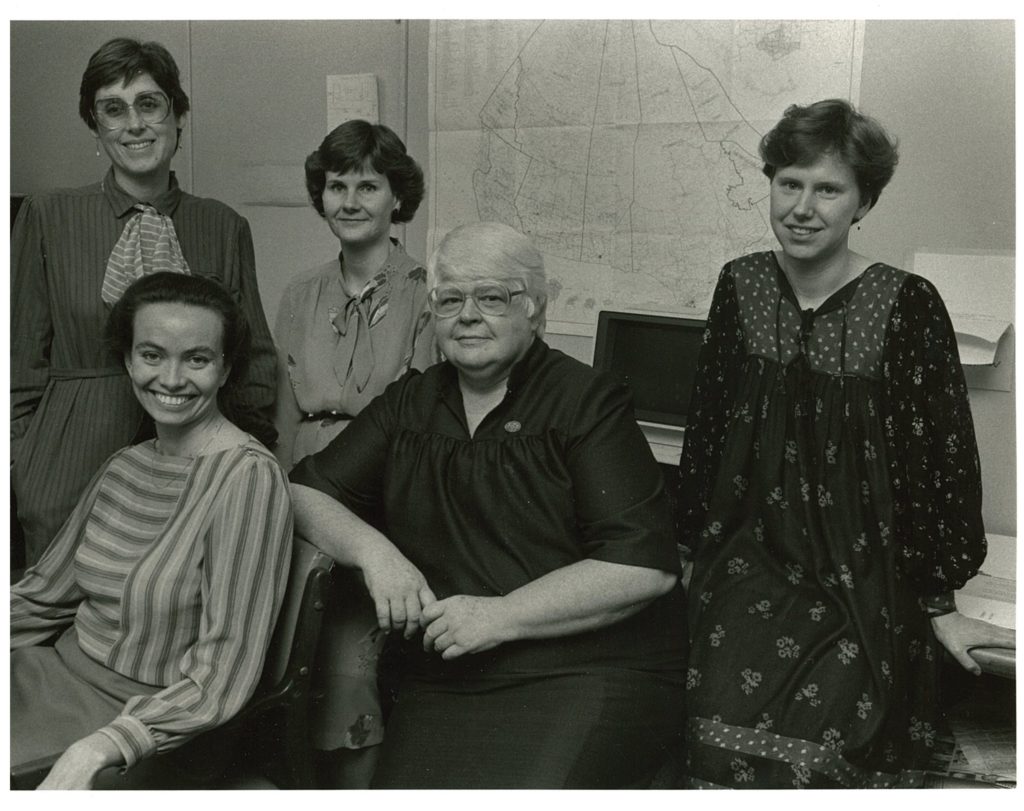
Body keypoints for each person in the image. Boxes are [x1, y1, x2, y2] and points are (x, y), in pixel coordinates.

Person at [676, 98, 1014, 788]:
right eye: (788, 183)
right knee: (713, 746)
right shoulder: (738, 287)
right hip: (749, 562)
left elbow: (941, 461)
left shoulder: (907, 303)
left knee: (830, 754)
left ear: (863, 202)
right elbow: (707, 433)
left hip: (864, 575)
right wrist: (691, 555)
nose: (803, 206)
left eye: (828, 188)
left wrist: (938, 602)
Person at [289, 221, 688, 788]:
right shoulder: (412, 403)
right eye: (450, 299)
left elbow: (641, 568)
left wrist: (502, 615)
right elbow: (303, 490)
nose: (468, 315)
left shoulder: (586, 402)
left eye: (492, 297)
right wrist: (374, 553)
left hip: (586, 670)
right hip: (449, 674)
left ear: (535, 310)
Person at [10, 272, 293, 790]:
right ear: (128, 360)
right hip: (50, 676)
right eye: (152, 355)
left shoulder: (248, 478)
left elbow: (223, 671)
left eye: (197, 359)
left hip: (143, 721)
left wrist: (104, 744)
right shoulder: (125, 465)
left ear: (226, 368)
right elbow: (41, 596)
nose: (171, 378)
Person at [10, 37, 278, 569]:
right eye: (113, 109)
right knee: (61, 627)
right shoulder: (48, 217)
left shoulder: (223, 225)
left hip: (193, 465)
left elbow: (254, 364)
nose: (134, 124)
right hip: (69, 463)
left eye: (149, 104)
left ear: (178, 117)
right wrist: (28, 465)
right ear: (96, 126)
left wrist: (244, 462)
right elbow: (18, 366)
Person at [272, 120, 435, 788]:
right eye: (337, 184)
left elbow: (428, 423)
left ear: (397, 197)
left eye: (368, 184)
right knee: (284, 664)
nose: (350, 199)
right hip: (305, 490)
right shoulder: (300, 292)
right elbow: (285, 414)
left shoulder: (428, 291)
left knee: (348, 669)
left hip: (383, 496)